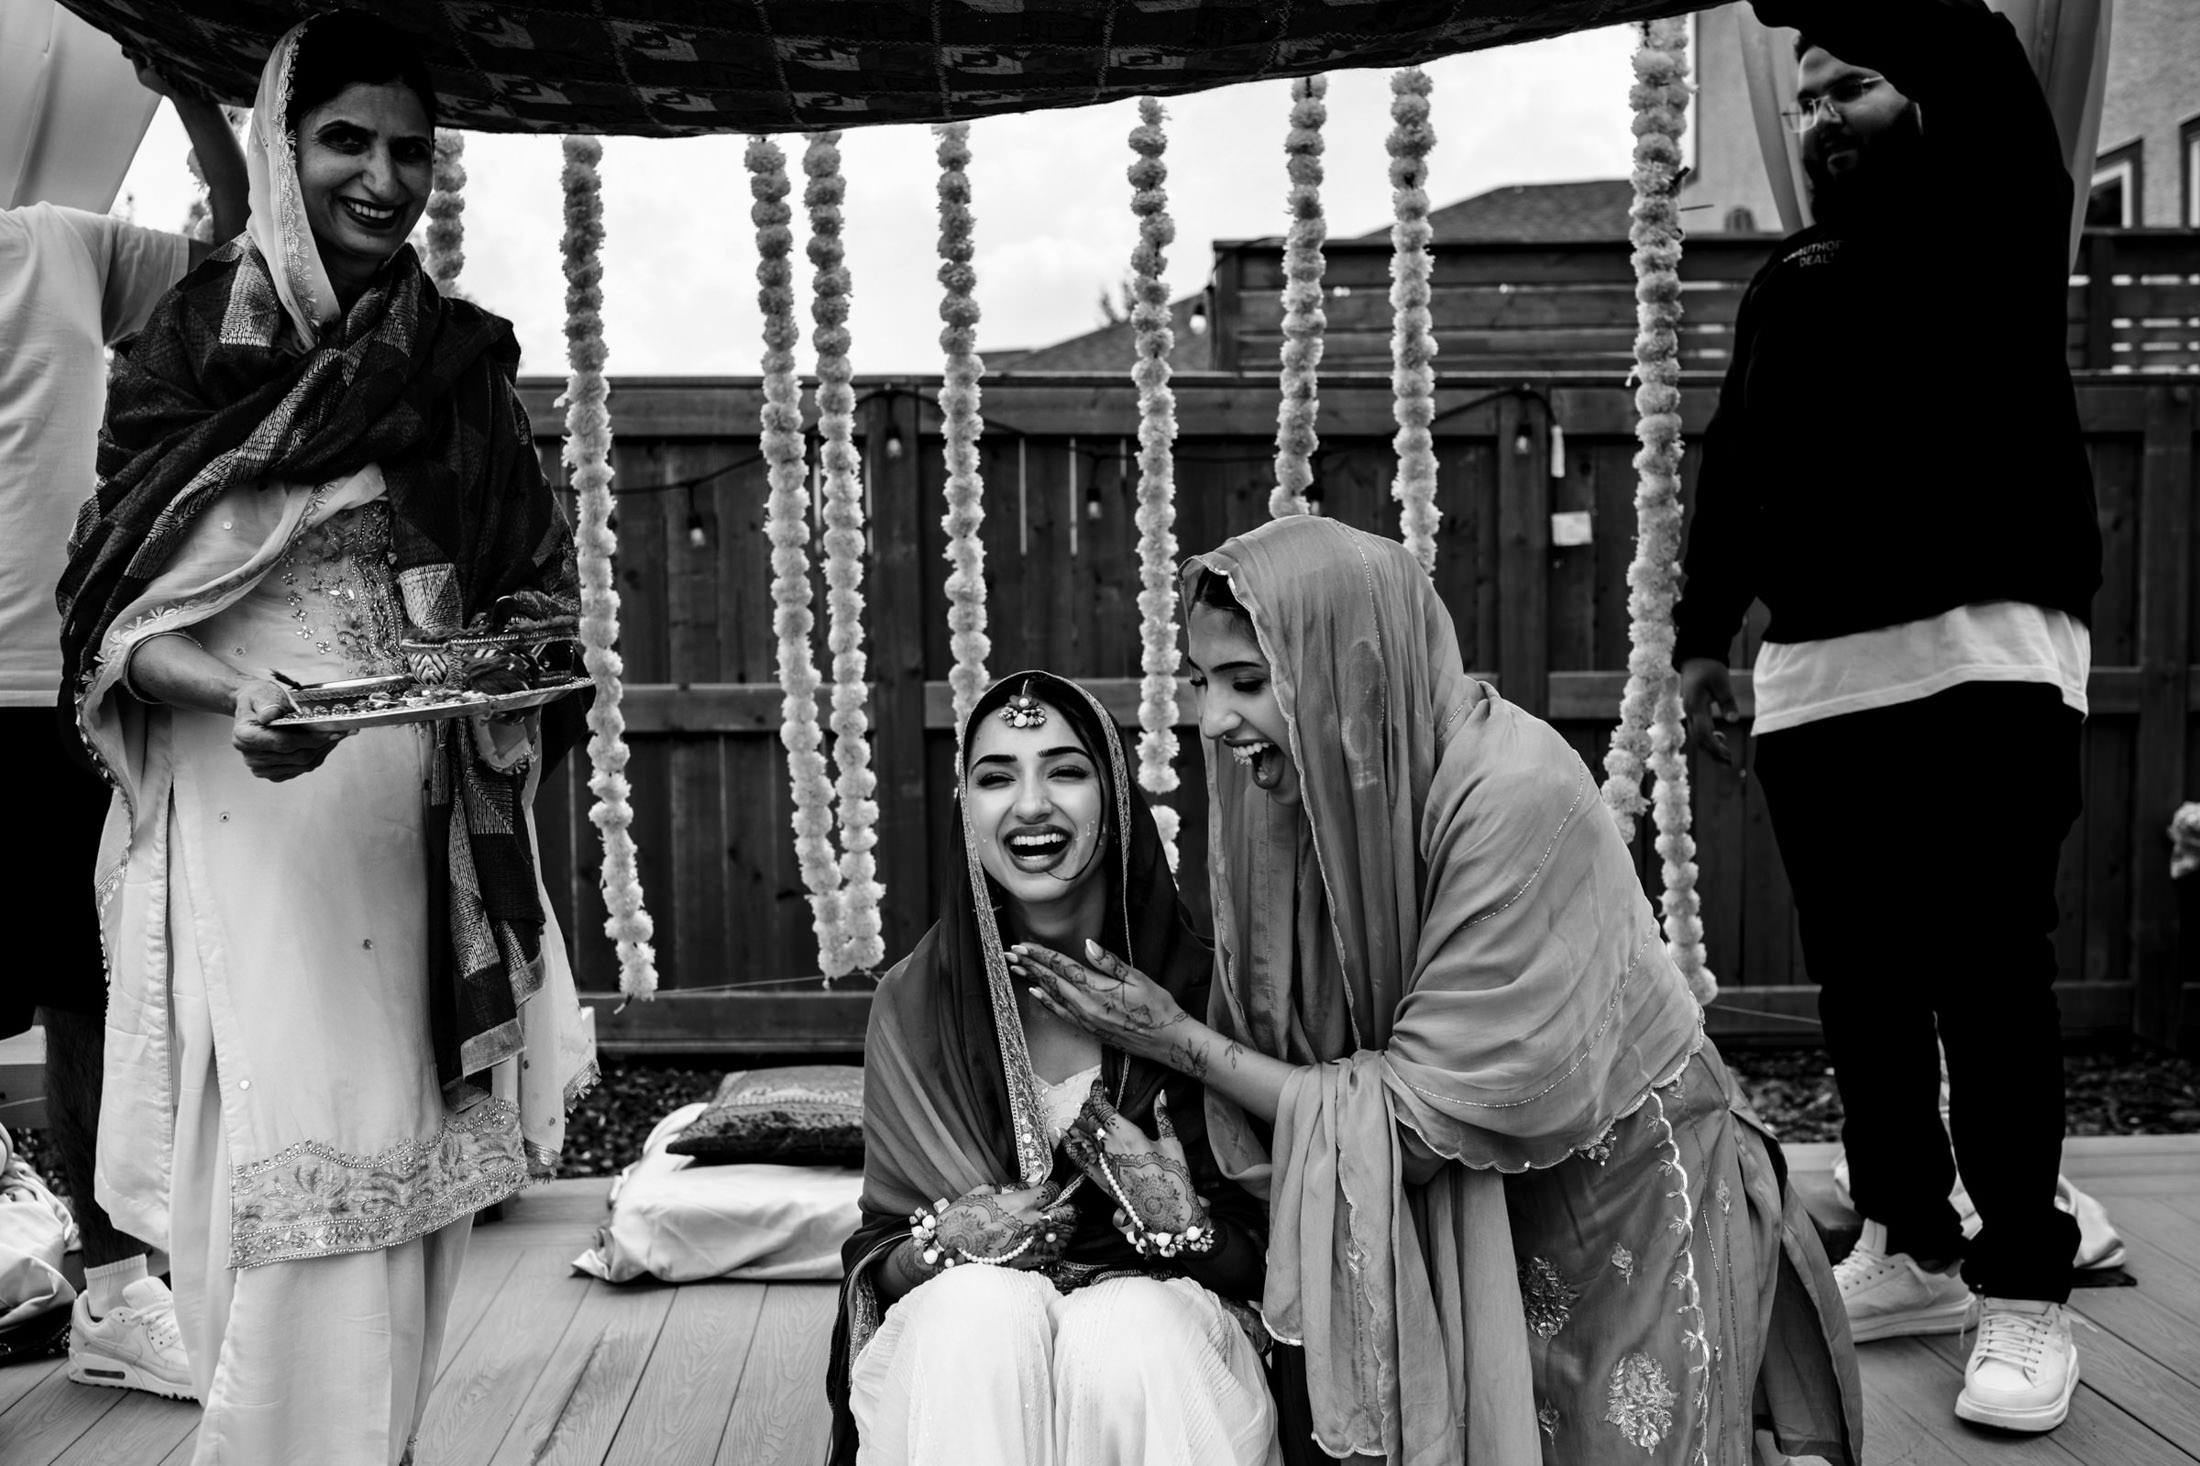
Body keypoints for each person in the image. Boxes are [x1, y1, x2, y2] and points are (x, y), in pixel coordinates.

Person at [1013, 518, 1860, 1466]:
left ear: (1348, 667)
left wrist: (1177, 1041)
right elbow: (1288, 1027)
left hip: (1621, 1202)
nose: (1212, 721)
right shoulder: (1313, 787)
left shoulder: (1514, 794)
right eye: (1203, 684)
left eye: (1248, 682)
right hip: (1479, 1218)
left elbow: (1409, 1120)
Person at [55, 12, 595, 1463]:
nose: (383, 176)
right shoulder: (184, 345)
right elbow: (108, 620)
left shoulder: (455, 363)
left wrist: (482, 678)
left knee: (411, 1179)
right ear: (284, 146)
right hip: (251, 796)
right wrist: (233, 697)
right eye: (347, 140)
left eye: (411, 149)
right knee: (286, 1172)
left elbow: (537, 603)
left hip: (416, 813)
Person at [1672, 0, 2102, 1435]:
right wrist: (1698, 644)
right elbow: (1734, 466)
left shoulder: (1993, 214)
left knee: (1988, 970)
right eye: (1802, 102)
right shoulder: (1787, 277)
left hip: (1984, 650)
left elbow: (1968, 42)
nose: (1821, 115)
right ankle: (1913, 1244)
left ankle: (2025, 1289)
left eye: (1848, 85)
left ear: (1917, 94)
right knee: (1862, 983)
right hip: (1817, 676)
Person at [827, 671, 1289, 1466]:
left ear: (1115, 799)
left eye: (1066, 771)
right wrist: (949, 1243)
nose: (1031, 804)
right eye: (996, 776)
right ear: (966, 812)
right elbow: (885, 1254)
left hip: (1168, 1359)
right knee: (979, 1313)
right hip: (970, 1357)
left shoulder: (1208, 993)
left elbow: (1274, 1258)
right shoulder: (917, 1000)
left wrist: (1188, 1229)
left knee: (1127, 1333)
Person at [1, 51, 246, 1399]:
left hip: (54, 681)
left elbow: (233, 260)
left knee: (88, 989)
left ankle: (112, 1291)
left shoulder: (60, 246)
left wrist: (196, 88)